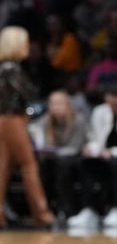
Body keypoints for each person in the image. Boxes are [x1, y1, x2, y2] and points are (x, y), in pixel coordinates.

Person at [0, 26, 56, 228]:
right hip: (13, 120)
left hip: (4, 120)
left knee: (3, 167)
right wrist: (33, 111)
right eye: (25, 42)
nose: (28, 46)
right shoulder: (12, 70)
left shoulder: (4, 68)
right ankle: (41, 214)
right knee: (29, 165)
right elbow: (29, 97)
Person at [70, 86, 117, 230]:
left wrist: (113, 152)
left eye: (116, 97)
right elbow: (96, 137)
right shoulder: (100, 111)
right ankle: (89, 209)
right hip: (102, 153)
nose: (112, 101)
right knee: (85, 162)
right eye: (109, 96)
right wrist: (91, 148)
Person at [29, 90, 89, 221]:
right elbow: (33, 128)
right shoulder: (46, 121)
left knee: (62, 165)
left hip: (75, 159)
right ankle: (46, 208)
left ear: (68, 105)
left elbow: (76, 147)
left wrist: (56, 152)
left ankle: (68, 209)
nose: (56, 107)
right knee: (43, 165)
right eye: (53, 103)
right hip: (54, 159)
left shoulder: (78, 120)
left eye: (59, 103)